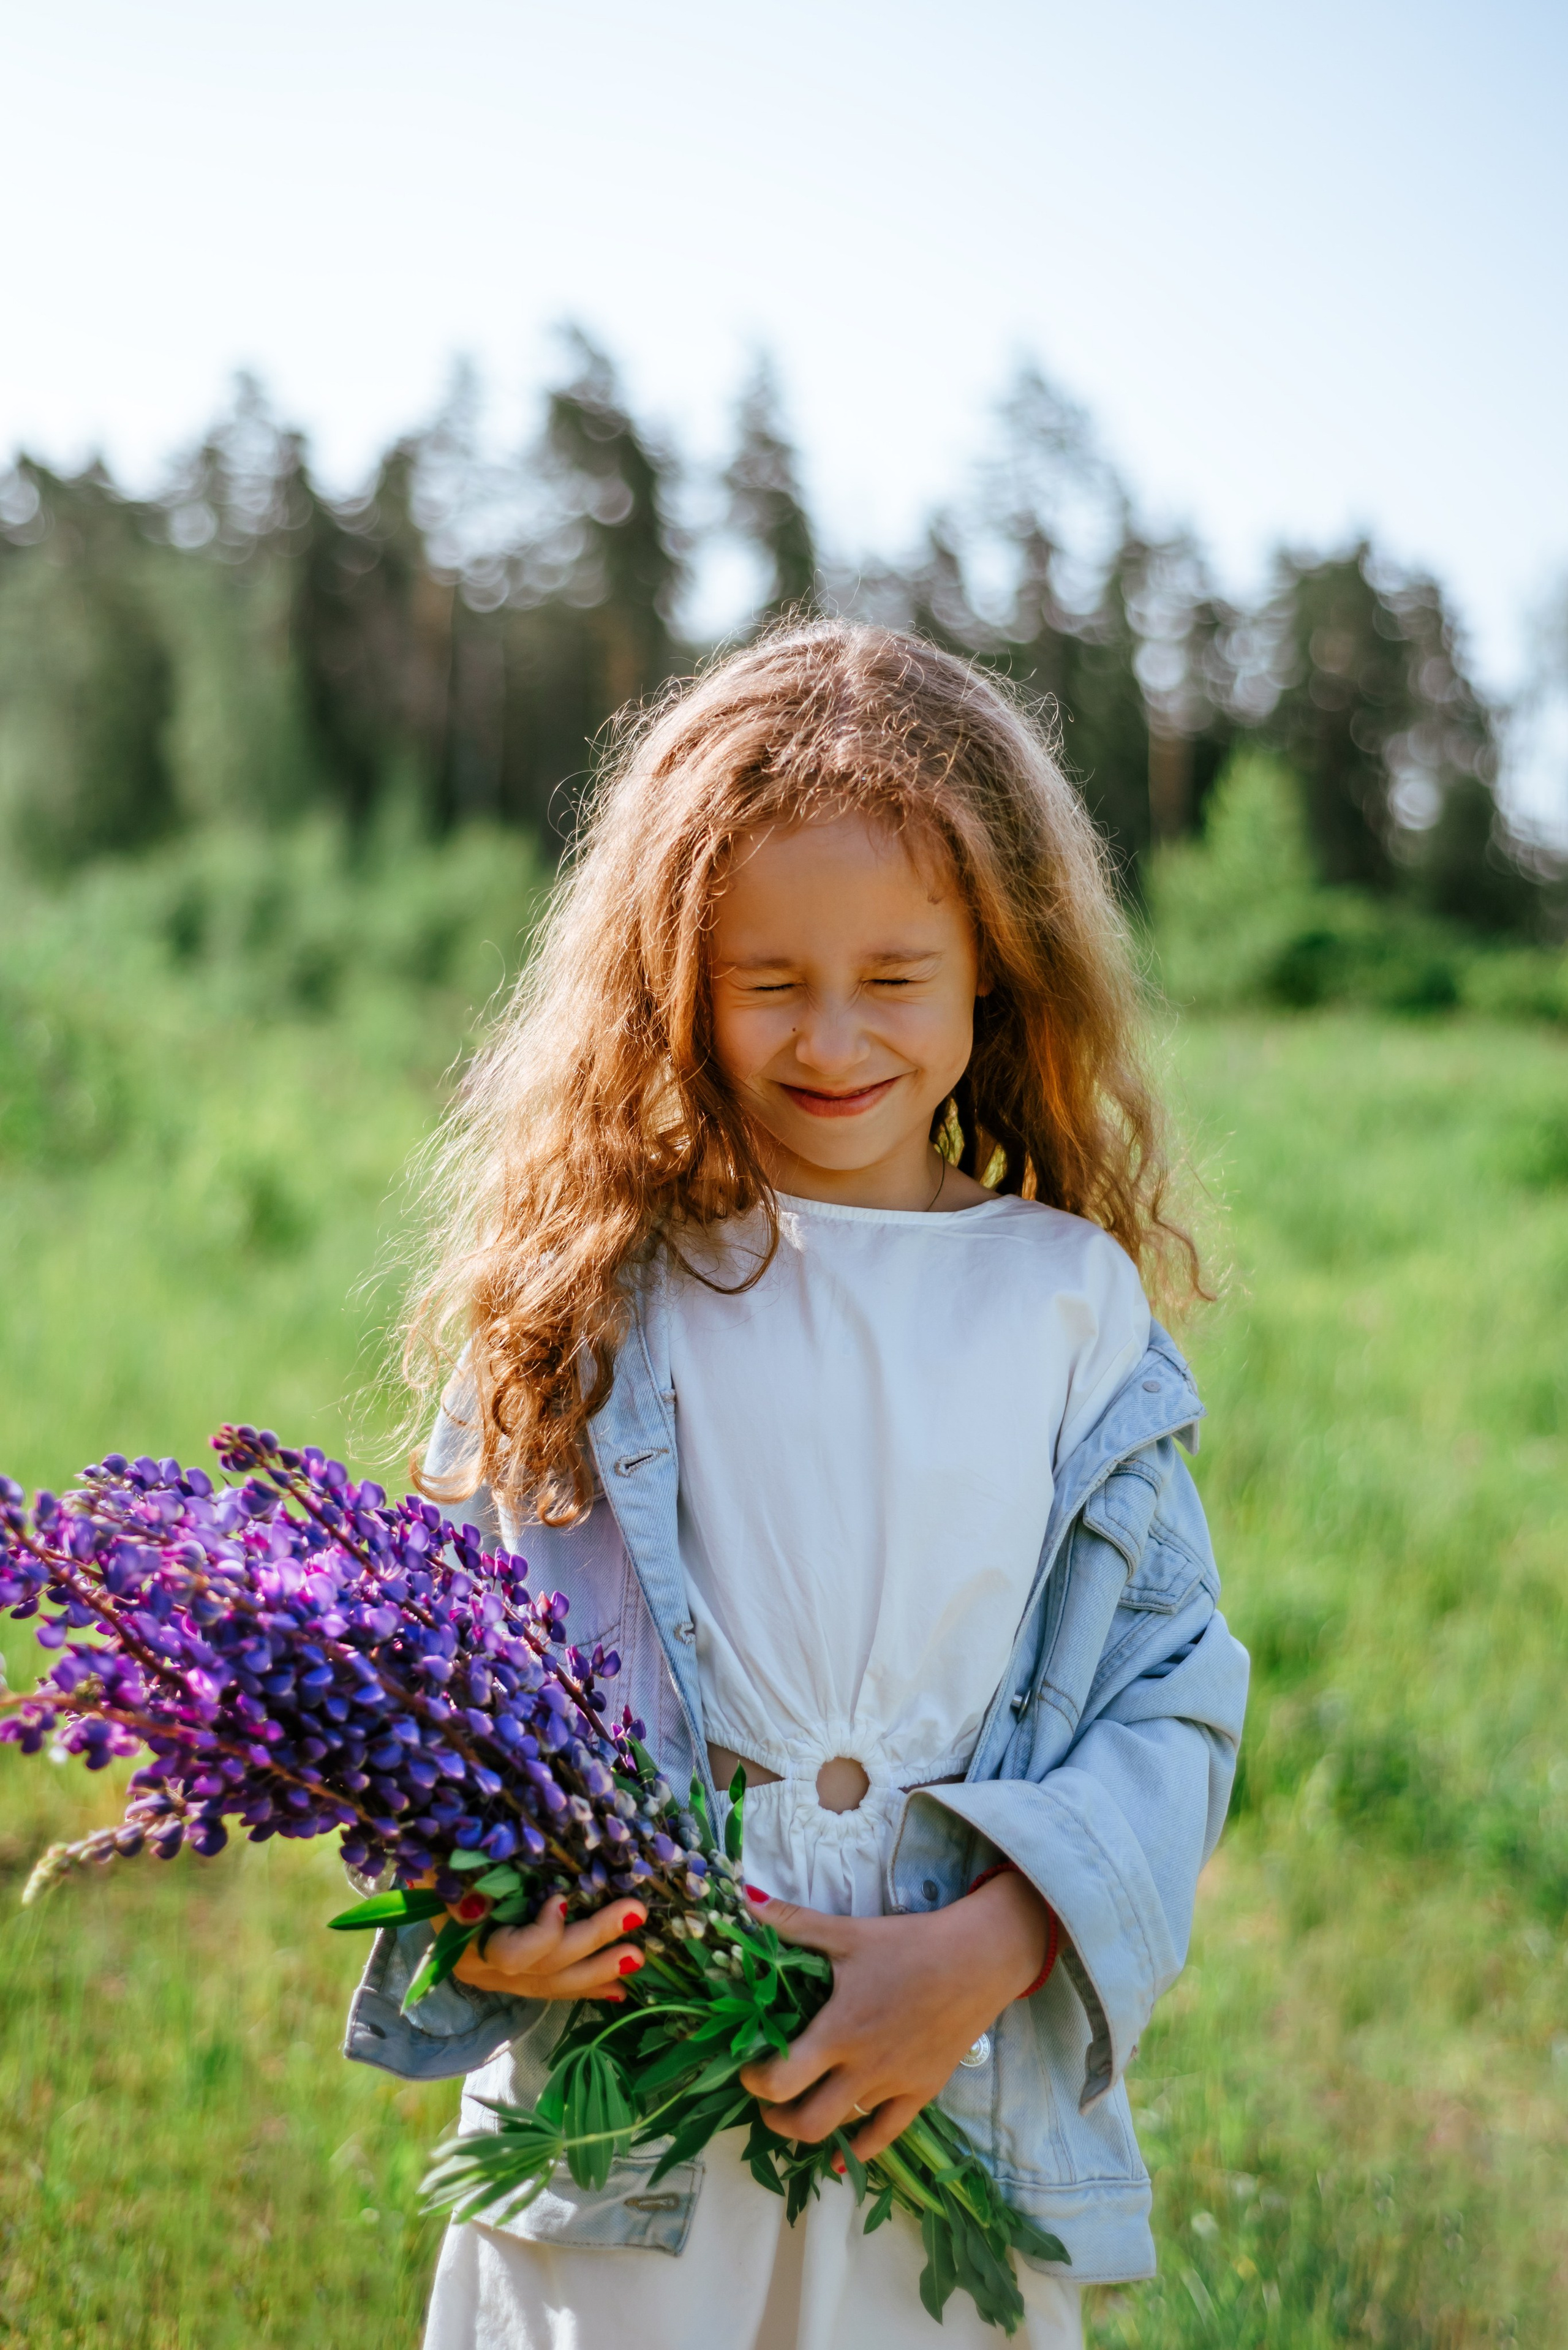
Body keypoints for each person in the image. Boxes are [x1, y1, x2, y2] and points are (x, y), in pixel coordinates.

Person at [344, 622, 1249, 2349]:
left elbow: (1174, 1698)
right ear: (675, 981)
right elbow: (435, 1681)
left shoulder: (1067, 1304)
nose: (834, 1037)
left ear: (997, 968)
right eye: (770, 979)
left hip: (949, 2104)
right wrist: (480, 1927)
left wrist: (994, 1948)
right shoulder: (588, 1299)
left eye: (895, 975)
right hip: (627, 2131)